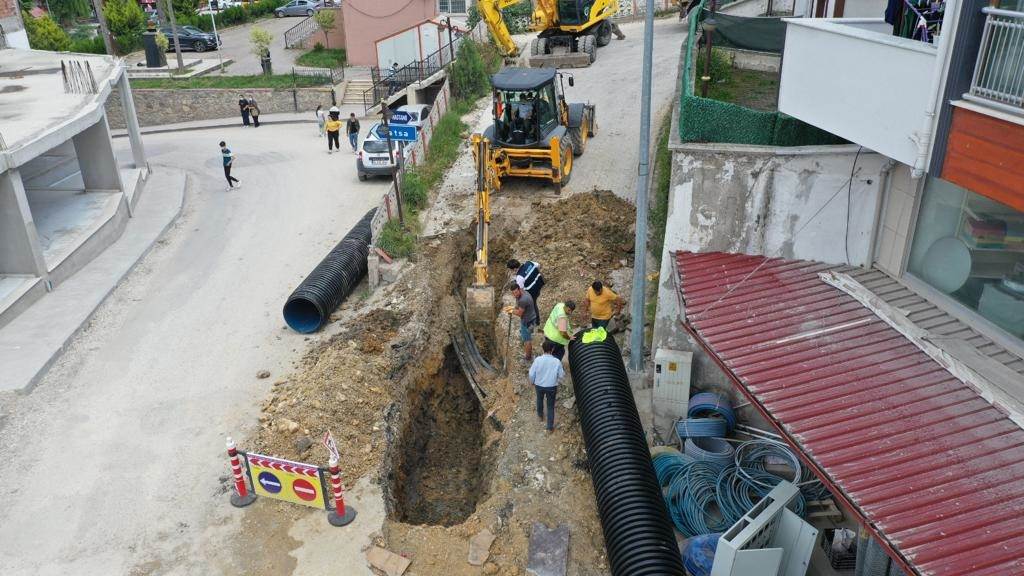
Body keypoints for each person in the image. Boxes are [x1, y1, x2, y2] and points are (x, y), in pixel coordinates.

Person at [529, 340, 565, 432]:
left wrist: (532, 381)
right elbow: (561, 375)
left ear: (543, 348)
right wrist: (557, 379)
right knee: (550, 406)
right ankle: (549, 427)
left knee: (539, 399)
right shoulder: (556, 361)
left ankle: (540, 416)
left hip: (539, 385)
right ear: (552, 349)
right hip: (551, 386)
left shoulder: (537, 360)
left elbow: (531, 373)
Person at [509, 282, 538, 362]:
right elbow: (518, 305)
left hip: (527, 321)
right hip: (532, 318)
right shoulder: (523, 293)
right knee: (527, 336)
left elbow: (519, 313)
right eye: (513, 293)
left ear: (519, 289)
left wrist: (510, 310)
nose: (515, 295)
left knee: (527, 340)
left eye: (516, 292)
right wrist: (514, 307)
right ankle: (528, 348)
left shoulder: (523, 299)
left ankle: (528, 358)